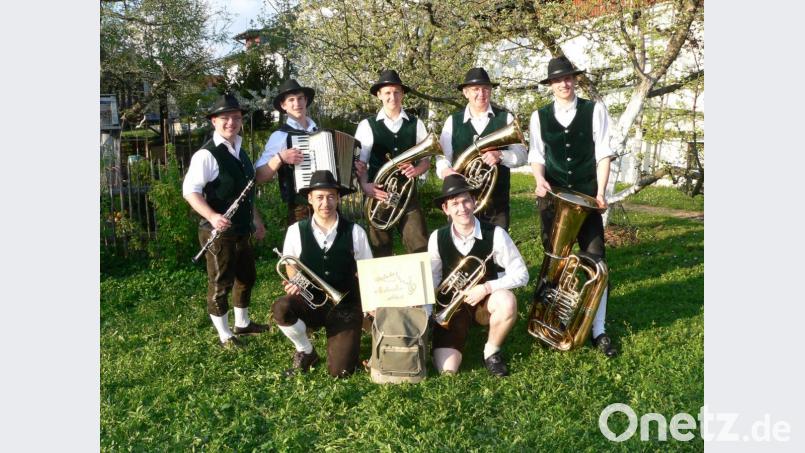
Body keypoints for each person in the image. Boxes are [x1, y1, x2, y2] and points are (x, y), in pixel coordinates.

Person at [528, 55, 618, 357]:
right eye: (557, 80)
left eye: (568, 78)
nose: (563, 84)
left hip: (586, 199)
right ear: (551, 84)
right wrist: (539, 179)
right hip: (553, 200)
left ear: (574, 80)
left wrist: (601, 192)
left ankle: (598, 330)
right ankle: (552, 320)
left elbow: (603, 153)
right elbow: (536, 155)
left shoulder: (595, 111)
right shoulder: (538, 116)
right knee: (556, 263)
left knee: (596, 261)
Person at [182, 94, 269, 348]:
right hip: (217, 231)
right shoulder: (206, 155)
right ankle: (224, 335)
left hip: (242, 228)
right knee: (220, 283)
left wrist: (257, 220)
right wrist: (211, 216)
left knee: (246, 276)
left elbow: (246, 192)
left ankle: (242, 324)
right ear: (213, 121)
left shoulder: (240, 150)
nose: (231, 122)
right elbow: (190, 191)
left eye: (236, 118)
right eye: (225, 118)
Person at [272, 170, 373, 377]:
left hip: (346, 306)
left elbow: (368, 271)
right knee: (282, 308)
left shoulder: (355, 232)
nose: (325, 203)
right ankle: (306, 351)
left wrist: (370, 306)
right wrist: (296, 283)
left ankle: (344, 338)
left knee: (341, 372)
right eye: (319, 197)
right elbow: (290, 264)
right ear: (310, 199)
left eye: (330, 197)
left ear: (337, 199)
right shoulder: (295, 231)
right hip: (312, 302)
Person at [428, 175, 529, 377]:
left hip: (485, 304)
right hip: (453, 307)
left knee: (507, 301)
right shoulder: (437, 237)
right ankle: (450, 339)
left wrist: (486, 288)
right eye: (454, 203)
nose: (462, 208)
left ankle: (491, 351)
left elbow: (522, 274)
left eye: (466, 200)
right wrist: (428, 312)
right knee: (448, 371)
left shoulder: (496, 234)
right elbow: (433, 278)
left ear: (474, 202)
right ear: (446, 209)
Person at [436, 67, 528, 231]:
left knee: (496, 250)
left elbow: (522, 155)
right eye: (475, 89)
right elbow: (442, 157)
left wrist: (500, 155)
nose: (481, 93)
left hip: (496, 202)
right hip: (461, 203)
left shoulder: (505, 118)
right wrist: (445, 172)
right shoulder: (452, 121)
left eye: (486, 89)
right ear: (466, 93)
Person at [354, 69, 430, 257]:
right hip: (378, 195)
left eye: (396, 92)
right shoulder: (367, 126)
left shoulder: (416, 124)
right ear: (379, 95)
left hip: (407, 194)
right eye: (387, 92)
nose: (392, 96)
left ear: (403, 94)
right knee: (380, 249)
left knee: (419, 244)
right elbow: (360, 164)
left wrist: (417, 169)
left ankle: (422, 284)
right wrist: (365, 186)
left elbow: (426, 160)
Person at [254, 79, 318, 225]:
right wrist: (280, 158)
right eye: (291, 100)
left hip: (328, 203)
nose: (297, 103)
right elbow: (258, 176)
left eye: (300, 98)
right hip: (301, 208)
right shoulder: (280, 136)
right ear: (283, 106)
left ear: (306, 100)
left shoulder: (319, 132)